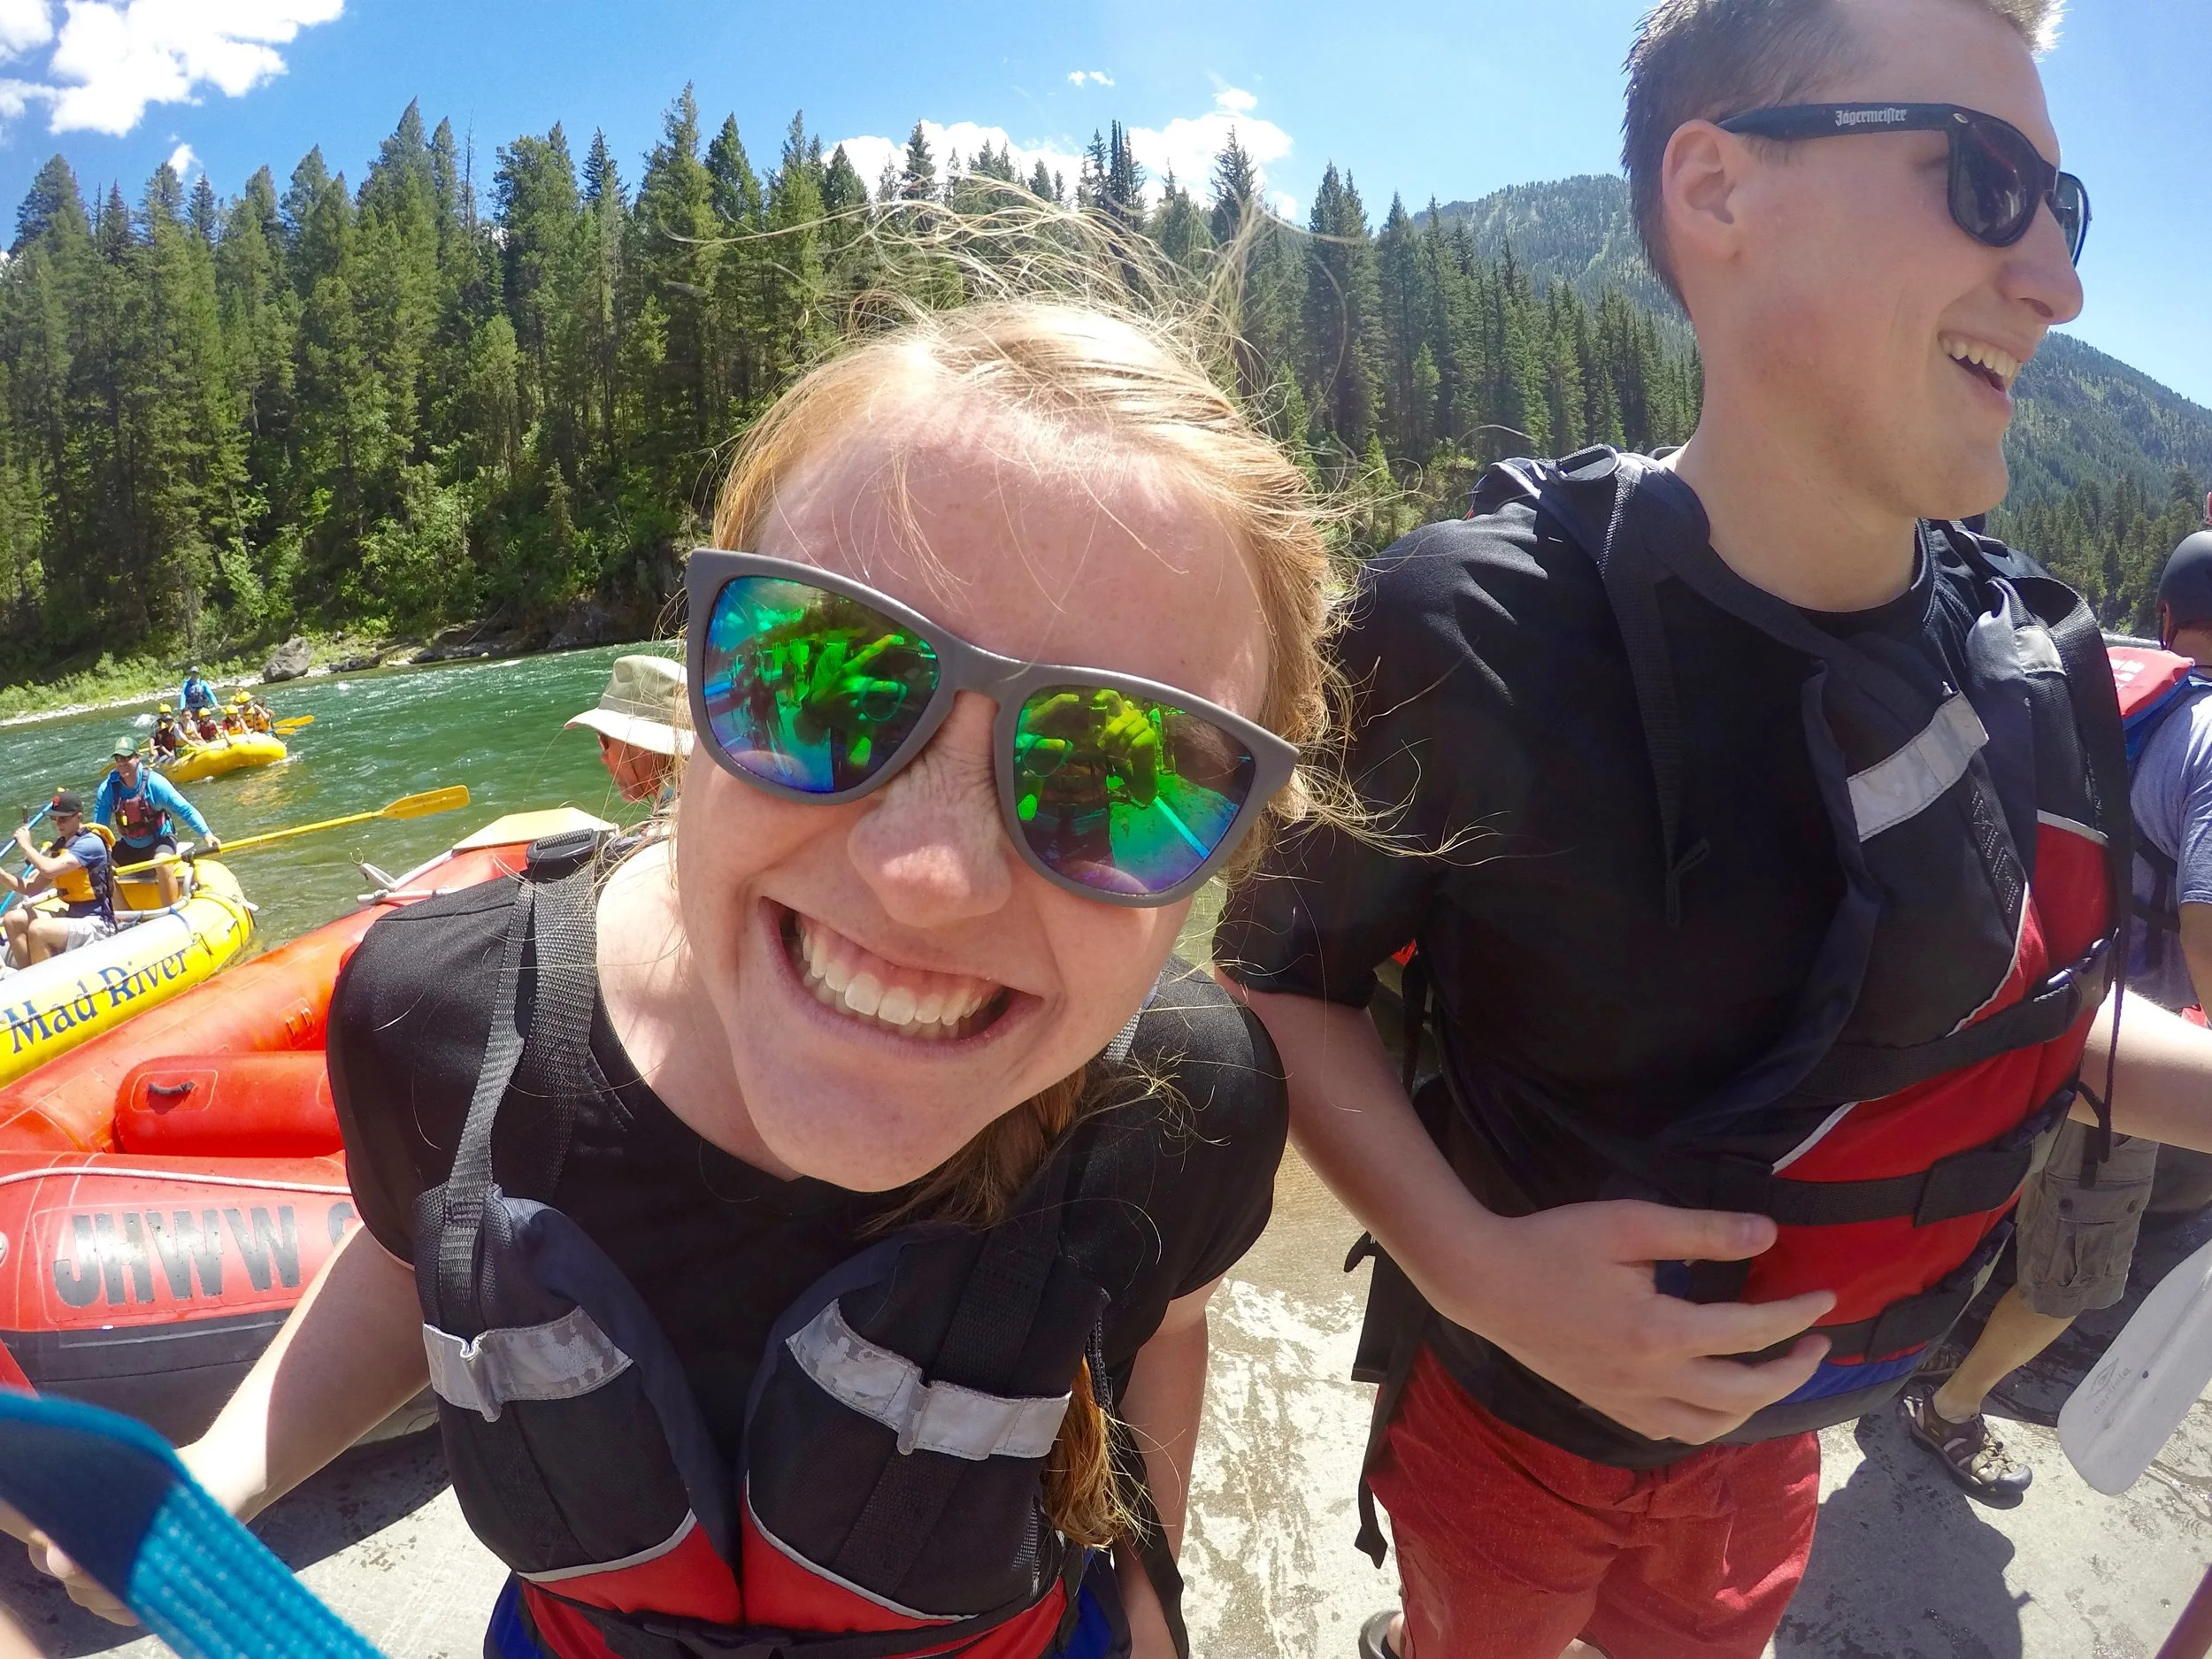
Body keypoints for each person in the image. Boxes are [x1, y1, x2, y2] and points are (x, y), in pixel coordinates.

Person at [18, 297, 1332, 1659]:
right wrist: (221, 1470)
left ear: (1240, 837)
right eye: (823, 685)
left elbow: (1164, 1329)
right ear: (697, 686)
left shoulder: (1188, 1096)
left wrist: (1150, 1601)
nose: (928, 873)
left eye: (1117, 770)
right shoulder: (445, 1018)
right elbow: (419, 1252)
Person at [1214, 3, 2212, 1655]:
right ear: (1718, 190)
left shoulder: (2022, 664)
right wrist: (1468, 1266)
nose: (2056, 279)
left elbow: (2016, 1012)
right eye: (1985, 180)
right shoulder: (1471, 626)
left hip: (1779, 1438)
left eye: (2066, 208)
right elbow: (1276, 977)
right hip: (1514, 1420)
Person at [1902, 524, 2212, 1496]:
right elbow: (2206, 920)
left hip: (2013, 999)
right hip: (2126, 1047)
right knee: (2075, 1273)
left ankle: (1890, 1346)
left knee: (1969, 1197)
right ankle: (1948, 1408)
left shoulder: (2092, 676)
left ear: (2166, 616)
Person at [95, 739, 218, 908]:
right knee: (101, 868)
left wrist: (206, 834)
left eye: (127, 758)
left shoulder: (155, 784)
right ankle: (124, 915)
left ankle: (171, 910)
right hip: (130, 845)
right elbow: (100, 829)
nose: (122, 763)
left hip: (160, 839)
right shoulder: (108, 789)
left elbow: (185, 809)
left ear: (137, 757)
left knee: (162, 863)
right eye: (118, 759)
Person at [0, 790, 116, 967]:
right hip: (72, 914)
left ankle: (42, 979)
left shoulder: (90, 843)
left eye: (63, 819)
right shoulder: (61, 848)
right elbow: (30, 888)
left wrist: (26, 846)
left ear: (79, 817)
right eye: (55, 819)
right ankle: (28, 975)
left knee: (38, 930)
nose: (58, 823)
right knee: (12, 919)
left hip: (97, 922)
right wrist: (2, 875)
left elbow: (49, 869)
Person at [565, 653, 691, 805]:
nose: (603, 758)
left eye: (603, 740)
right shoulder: (699, 793)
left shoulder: (673, 817)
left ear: (642, 745)